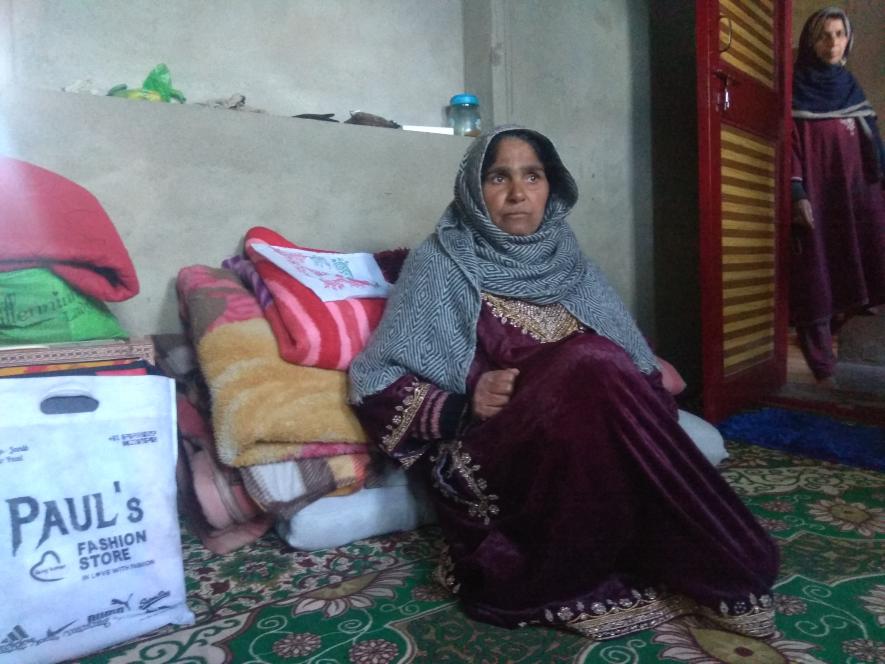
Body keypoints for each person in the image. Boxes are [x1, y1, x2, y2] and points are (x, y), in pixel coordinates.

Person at [348, 125, 778, 640]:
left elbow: (638, 370)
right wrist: (463, 405)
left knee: (597, 367)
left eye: (533, 176)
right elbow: (374, 380)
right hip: (493, 449)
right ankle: (694, 559)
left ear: (552, 187)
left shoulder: (573, 265)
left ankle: (710, 555)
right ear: (471, 188)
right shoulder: (440, 264)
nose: (517, 193)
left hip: (591, 442)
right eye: (498, 177)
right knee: (589, 359)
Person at [790, 7, 885, 383]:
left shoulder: (850, 86)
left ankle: (836, 339)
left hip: (858, 196)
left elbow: (872, 142)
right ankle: (817, 354)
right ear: (810, 43)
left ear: (848, 41)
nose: (832, 43)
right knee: (817, 270)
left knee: (858, 263)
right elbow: (791, 146)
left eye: (839, 34)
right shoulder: (796, 89)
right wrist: (797, 193)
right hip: (819, 196)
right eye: (824, 35)